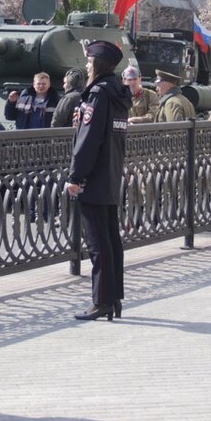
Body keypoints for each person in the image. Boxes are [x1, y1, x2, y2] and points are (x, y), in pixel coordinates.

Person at [66, 40, 129, 321]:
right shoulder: (117, 93)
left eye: (90, 63)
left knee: (97, 243)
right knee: (111, 239)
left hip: (93, 177)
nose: (87, 67)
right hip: (111, 174)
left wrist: (75, 176)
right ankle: (113, 297)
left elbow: (89, 140)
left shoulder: (97, 95)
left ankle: (101, 300)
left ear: (98, 65)